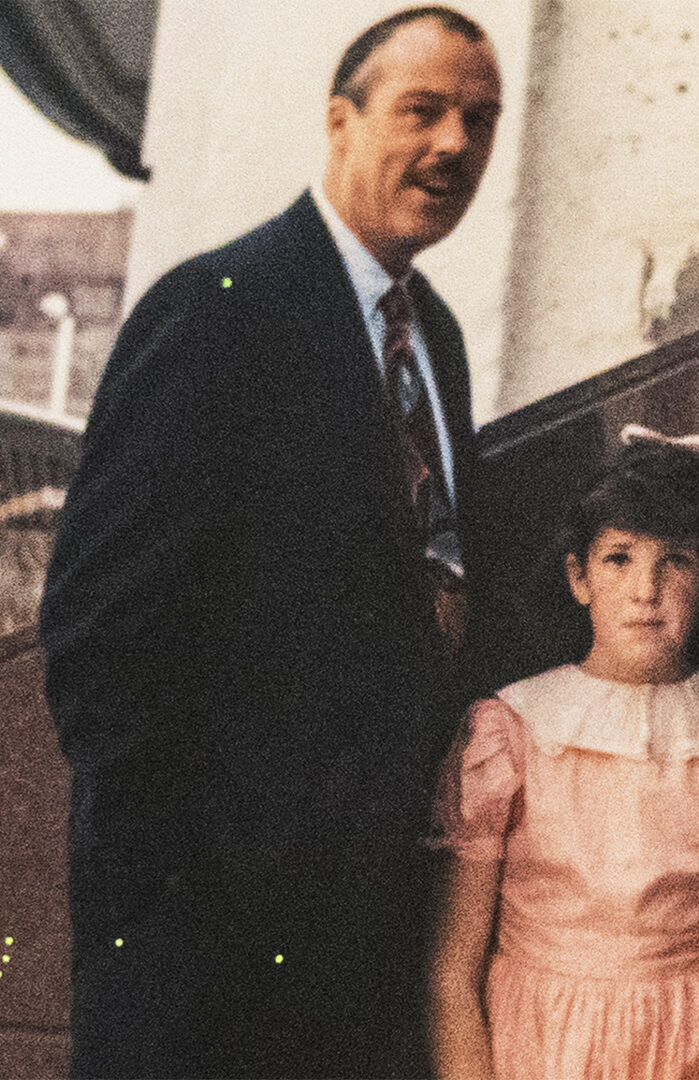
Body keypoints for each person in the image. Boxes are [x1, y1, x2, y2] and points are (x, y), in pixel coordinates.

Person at [38, 7, 501, 1077]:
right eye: (421, 110)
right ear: (340, 120)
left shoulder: (437, 338)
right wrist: (189, 896)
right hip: (208, 959)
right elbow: (100, 641)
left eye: (479, 121)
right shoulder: (216, 310)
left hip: (367, 944)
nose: (453, 146)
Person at [427, 428, 699, 1080]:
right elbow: (452, 976)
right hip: (536, 1045)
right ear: (578, 576)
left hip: (688, 1048)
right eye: (619, 558)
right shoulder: (512, 730)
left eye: (675, 561)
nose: (646, 589)